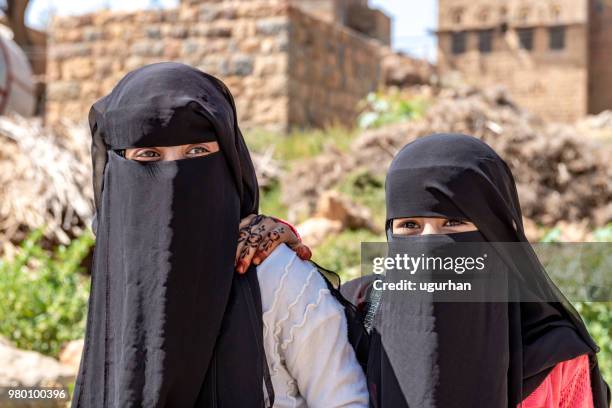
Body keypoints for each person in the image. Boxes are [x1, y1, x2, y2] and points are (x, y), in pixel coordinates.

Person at [72, 61, 368, 408]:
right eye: (149, 155)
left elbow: (344, 400)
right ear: (117, 168)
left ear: (228, 161)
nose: (174, 177)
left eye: (196, 152)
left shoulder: (273, 275)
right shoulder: (116, 273)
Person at [255, 133, 610, 408]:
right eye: (409, 226)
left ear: (496, 234)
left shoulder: (554, 352)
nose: (429, 248)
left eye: (453, 223)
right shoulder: (357, 314)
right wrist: (277, 239)